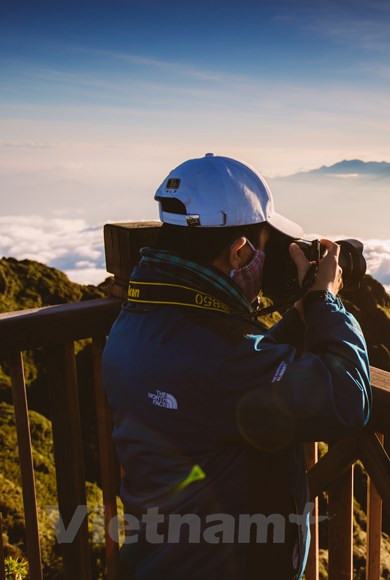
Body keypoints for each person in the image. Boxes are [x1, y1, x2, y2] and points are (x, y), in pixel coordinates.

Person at [102, 153, 371, 579]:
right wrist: (325, 301)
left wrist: (299, 315)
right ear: (240, 251)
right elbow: (347, 398)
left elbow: (236, 368)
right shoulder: (218, 357)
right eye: (266, 250)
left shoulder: (137, 318)